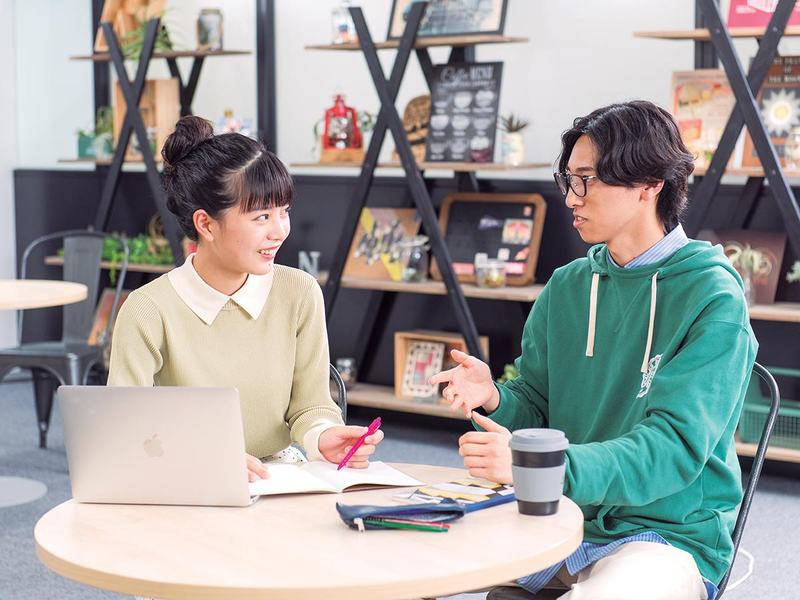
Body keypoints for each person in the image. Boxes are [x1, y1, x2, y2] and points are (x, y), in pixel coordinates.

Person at [430, 101, 757, 599]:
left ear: (649, 184)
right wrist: (494, 398)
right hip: (557, 517)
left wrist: (544, 469)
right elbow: (538, 406)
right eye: (569, 180)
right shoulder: (568, 285)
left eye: (586, 180)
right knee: (403, 554)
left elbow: (672, 449)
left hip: (665, 537)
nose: (570, 198)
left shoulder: (713, 297)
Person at [108, 116, 383, 481]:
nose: (280, 231)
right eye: (262, 216)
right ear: (206, 224)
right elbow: (127, 427)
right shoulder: (148, 309)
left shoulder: (300, 292)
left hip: (278, 477)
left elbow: (311, 405)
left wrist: (323, 435)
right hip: (186, 477)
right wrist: (203, 459)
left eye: (284, 212)